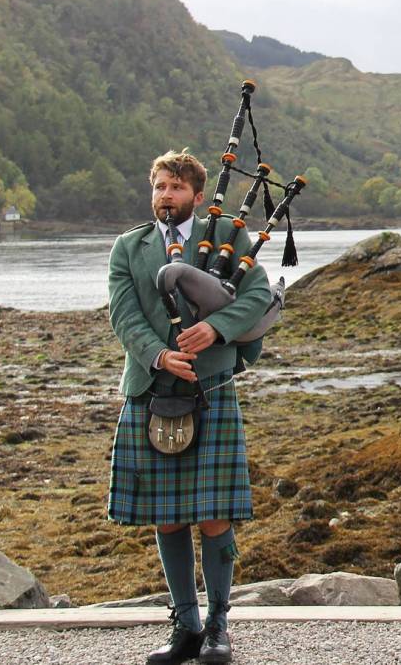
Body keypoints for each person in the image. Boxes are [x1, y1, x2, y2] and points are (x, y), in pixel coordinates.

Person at [108, 150, 271, 665]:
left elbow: (260, 295)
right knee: (168, 518)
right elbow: (122, 313)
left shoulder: (229, 239)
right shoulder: (128, 247)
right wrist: (158, 354)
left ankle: (220, 627)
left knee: (215, 517)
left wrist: (216, 328)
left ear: (197, 197)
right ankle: (186, 626)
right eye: (159, 187)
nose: (166, 196)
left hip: (213, 387)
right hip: (153, 390)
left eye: (176, 188)